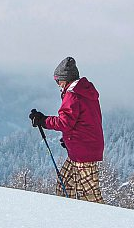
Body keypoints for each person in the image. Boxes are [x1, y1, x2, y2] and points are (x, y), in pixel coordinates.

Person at [30, 57, 104, 202]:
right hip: (81, 148)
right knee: (64, 186)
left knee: (92, 198)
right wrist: (69, 138)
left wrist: (43, 120)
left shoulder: (73, 95)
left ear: (65, 79)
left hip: (84, 153)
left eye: (58, 81)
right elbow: (85, 120)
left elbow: (65, 123)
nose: (58, 85)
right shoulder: (84, 91)